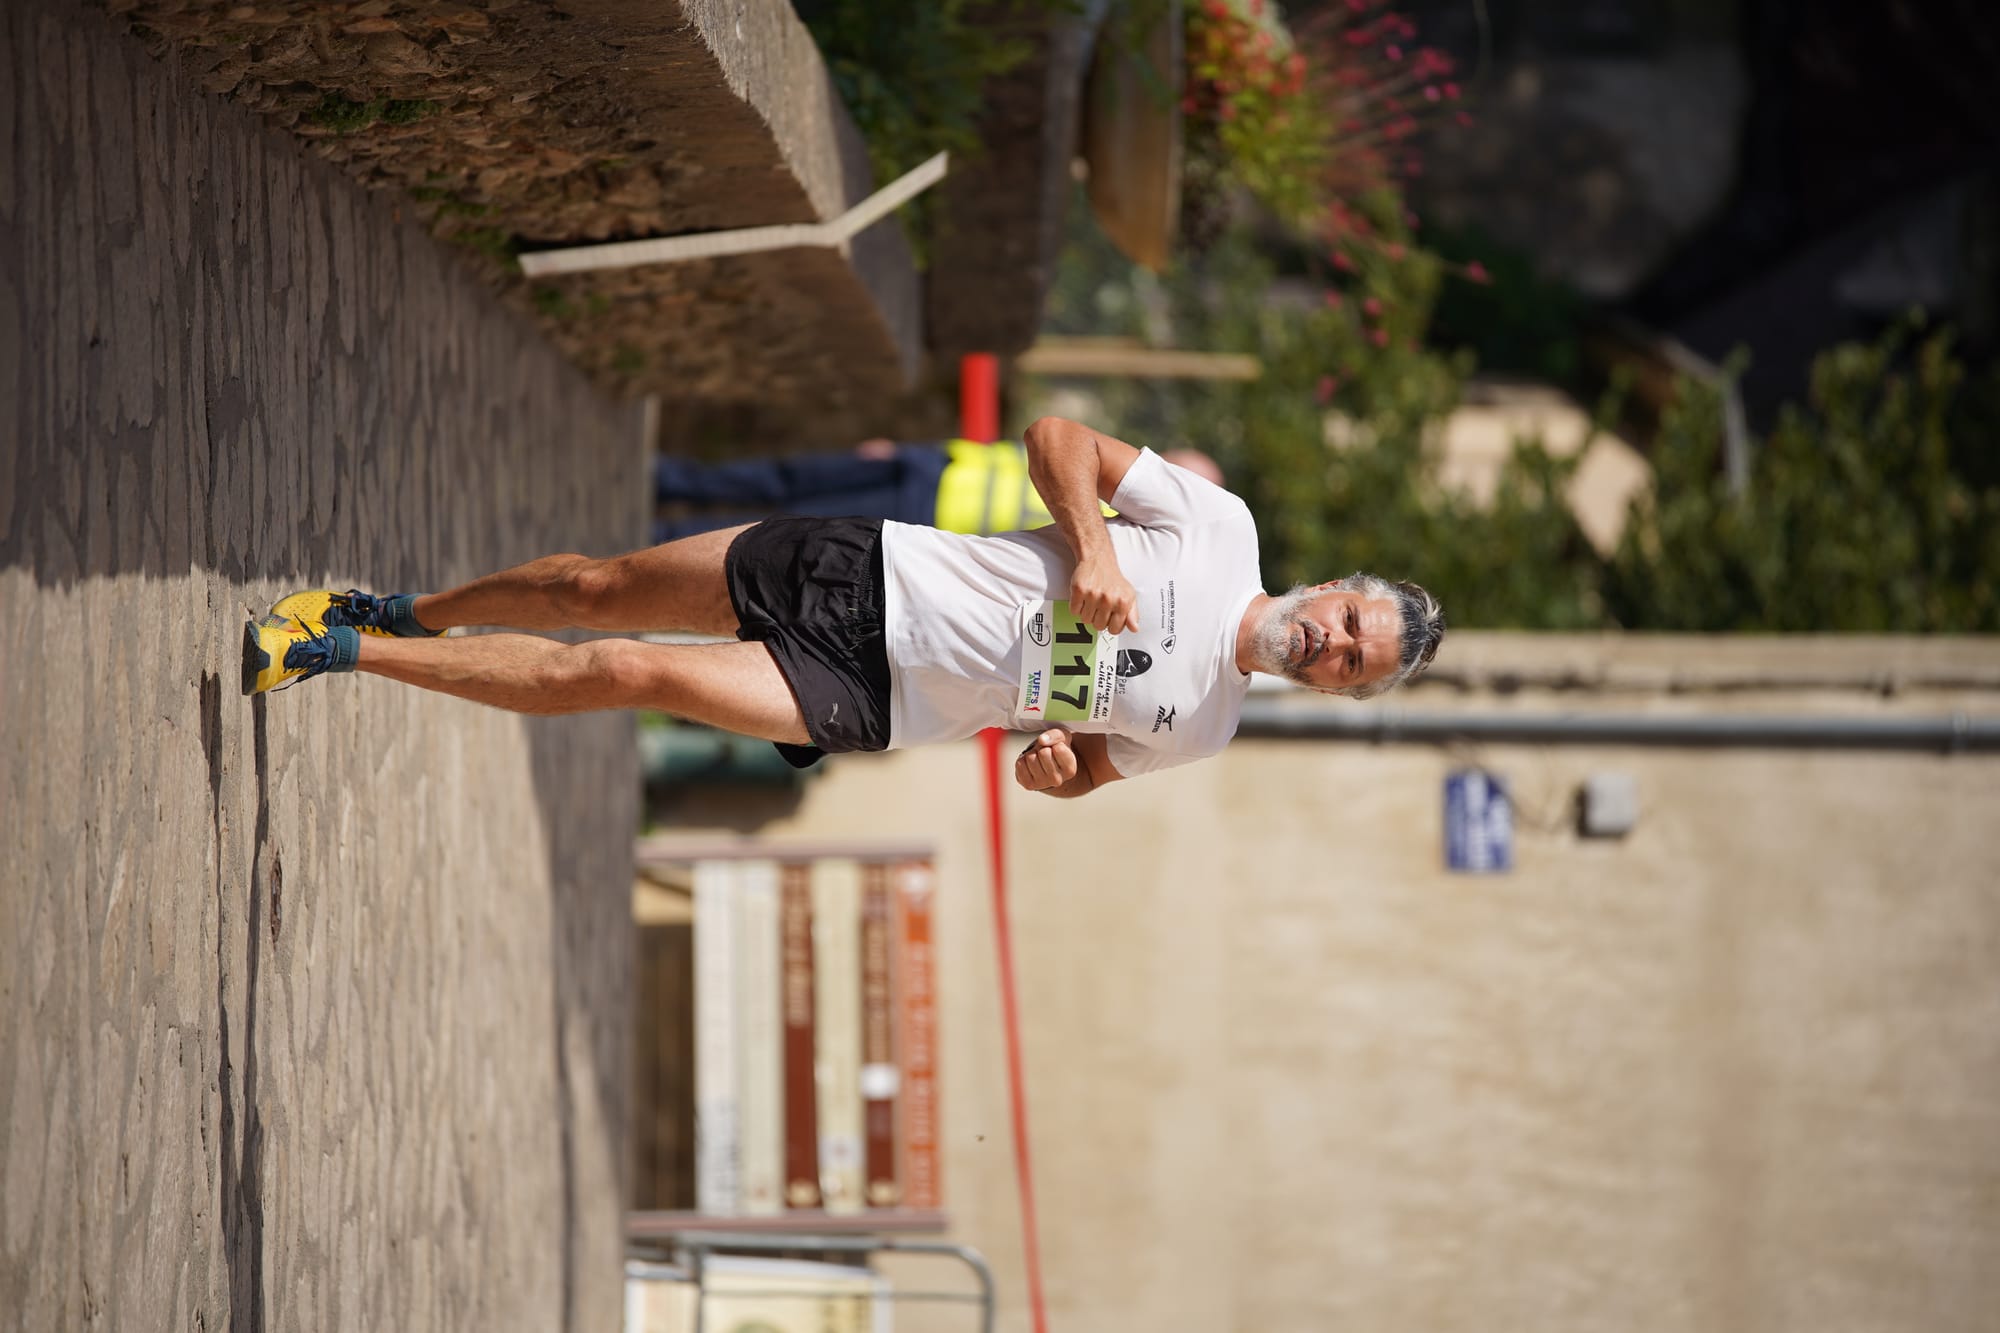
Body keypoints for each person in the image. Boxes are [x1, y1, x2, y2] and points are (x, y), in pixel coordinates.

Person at [243, 417, 1444, 796]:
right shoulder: (1220, 529)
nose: (1332, 642)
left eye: (1352, 662)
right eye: (1351, 621)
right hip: (865, 569)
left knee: (622, 666)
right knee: (591, 587)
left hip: (874, 695)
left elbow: (1078, 766)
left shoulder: (1207, 730)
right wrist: (1090, 544)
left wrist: (1054, 774)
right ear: (1334, 588)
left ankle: (337, 652)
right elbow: (1055, 438)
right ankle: (408, 609)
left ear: (1340, 688)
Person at [652, 436, 1226, 540]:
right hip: (923, 468)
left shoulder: (1110, 533)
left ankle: (668, 538)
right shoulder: (1102, 454)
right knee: (787, 475)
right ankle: (670, 480)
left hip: (919, 515)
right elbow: (1003, 455)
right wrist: (912, 451)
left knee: (784, 524)